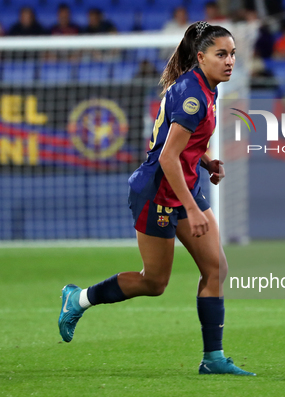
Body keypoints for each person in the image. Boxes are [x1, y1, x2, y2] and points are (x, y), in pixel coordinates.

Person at [58, 21, 256, 377]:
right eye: (221, 54)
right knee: (154, 283)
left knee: (216, 269)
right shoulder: (194, 96)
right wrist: (193, 210)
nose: (230, 61)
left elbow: (179, 143)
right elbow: (167, 157)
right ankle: (79, 298)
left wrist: (206, 159)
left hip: (184, 184)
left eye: (233, 54)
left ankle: (213, 359)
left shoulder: (205, 86)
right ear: (201, 57)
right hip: (158, 193)